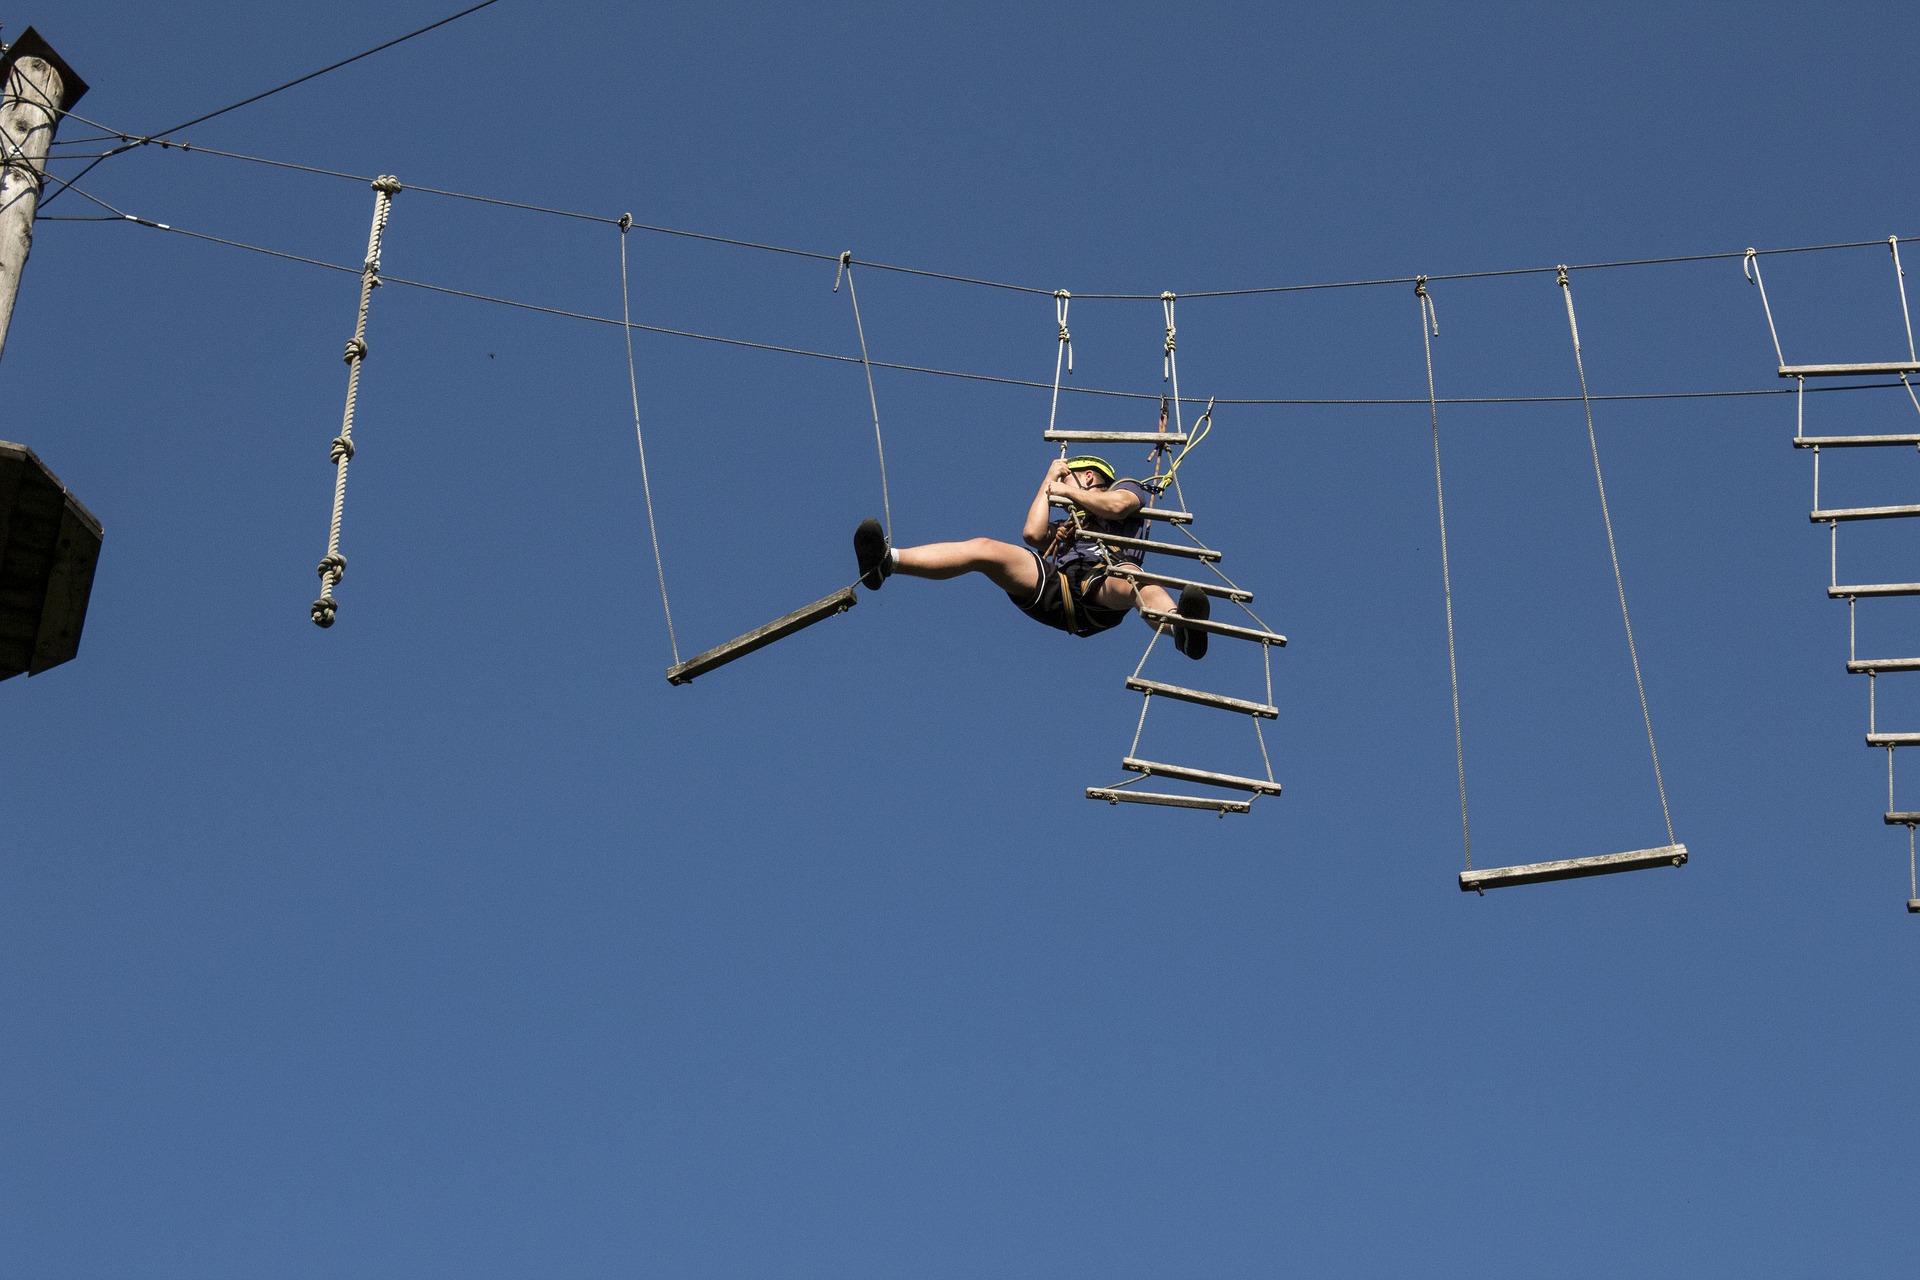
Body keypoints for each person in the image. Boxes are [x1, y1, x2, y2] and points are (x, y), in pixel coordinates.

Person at [853, 454, 1209, 658]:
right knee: (985, 549)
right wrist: (1048, 481)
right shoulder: (1069, 525)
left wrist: (1064, 488)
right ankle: (887, 562)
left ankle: (1180, 627)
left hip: (1102, 585)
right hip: (1060, 588)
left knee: (1133, 578)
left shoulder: (1124, 489)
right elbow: (1033, 534)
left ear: (1088, 476)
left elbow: (1116, 507)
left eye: (1070, 480)